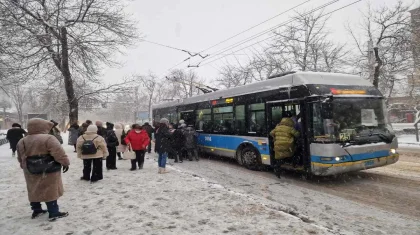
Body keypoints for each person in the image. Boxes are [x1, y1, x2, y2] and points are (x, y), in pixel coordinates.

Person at [16, 118, 70, 221]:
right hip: (49, 169)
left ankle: (37, 210)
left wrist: (24, 165)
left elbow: (20, 157)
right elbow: (58, 153)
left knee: (33, 189)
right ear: (42, 126)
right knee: (50, 189)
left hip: (30, 169)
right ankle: (54, 212)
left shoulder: (22, 140)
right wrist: (65, 163)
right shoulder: (49, 138)